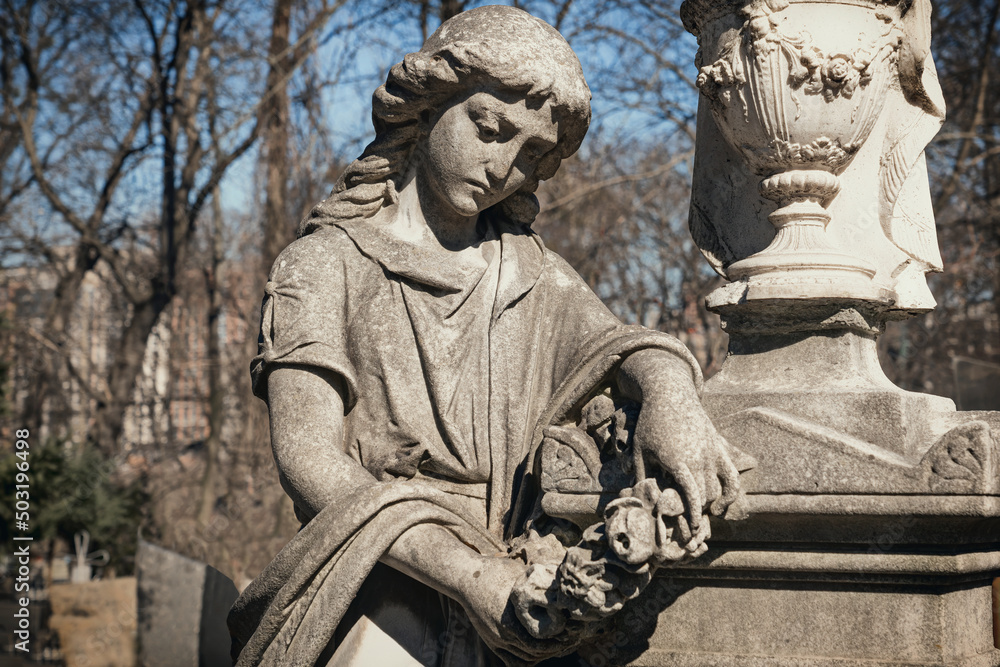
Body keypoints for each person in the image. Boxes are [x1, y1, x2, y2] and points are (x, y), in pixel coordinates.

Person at [228, 6, 739, 666]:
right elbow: (310, 460)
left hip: (519, 587)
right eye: (489, 128)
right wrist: (469, 576)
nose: (502, 166)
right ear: (430, 102)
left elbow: (623, 345)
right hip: (374, 580)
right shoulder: (324, 265)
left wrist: (672, 398)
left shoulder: (526, 271)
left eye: (531, 155)